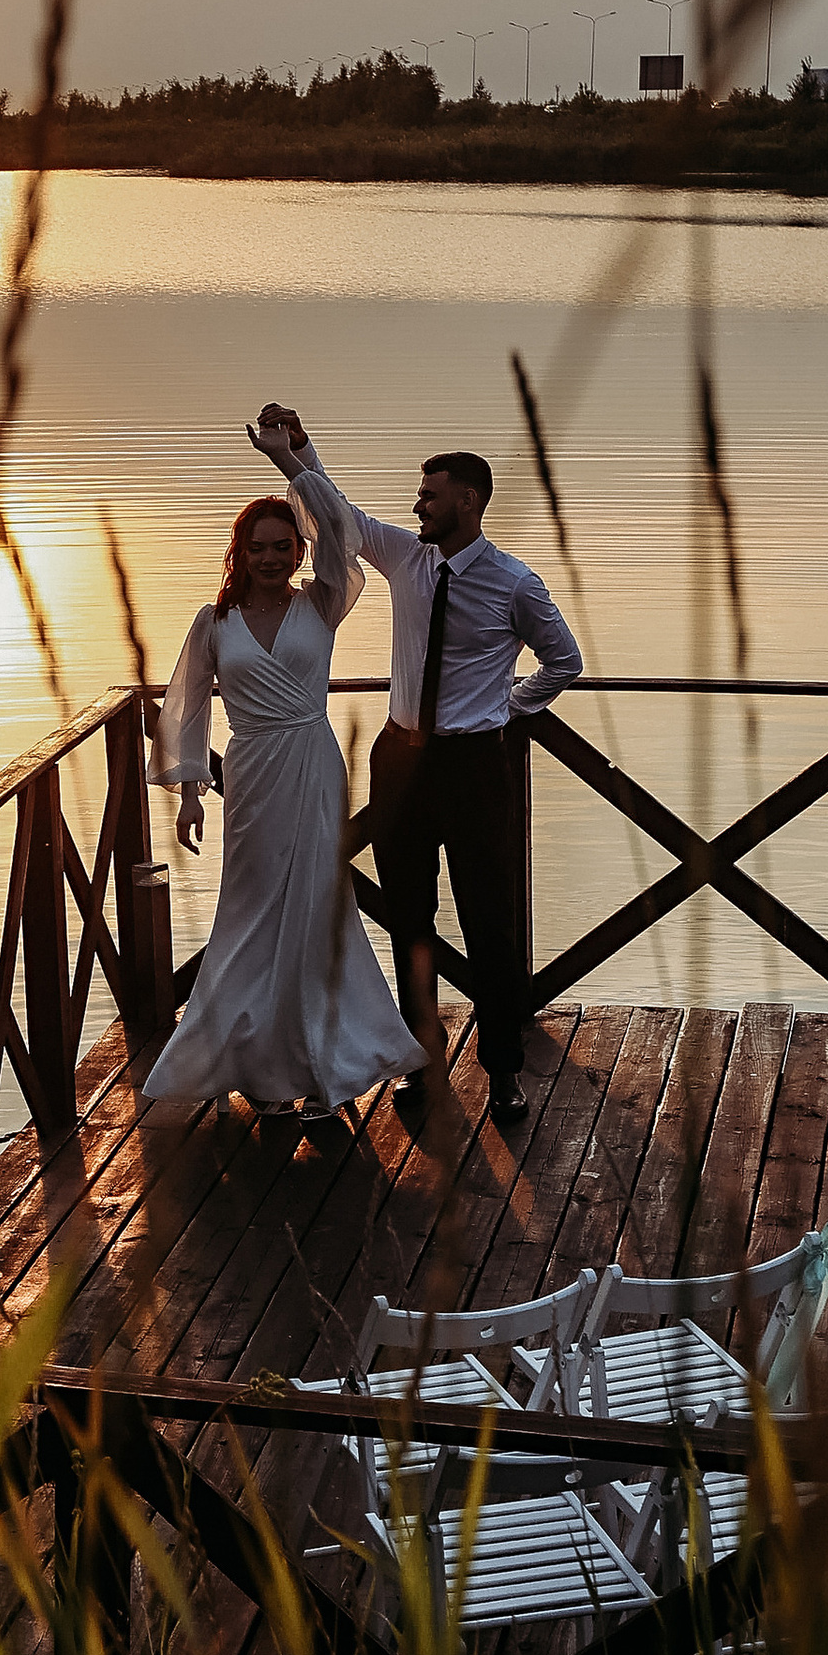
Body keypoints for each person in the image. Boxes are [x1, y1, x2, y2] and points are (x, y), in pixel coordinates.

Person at [252, 407, 580, 1126]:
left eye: (430, 495)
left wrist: (507, 707)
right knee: (410, 919)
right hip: (401, 759)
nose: (417, 504)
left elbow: (565, 661)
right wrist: (295, 451)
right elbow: (338, 515)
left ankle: (502, 1074)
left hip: (472, 767)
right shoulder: (407, 556)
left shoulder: (515, 584)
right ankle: (421, 1065)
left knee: (489, 921)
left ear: (468, 501)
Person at [143, 459, 417, 1121]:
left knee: (318, 907)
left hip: (312, 760)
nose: (270, 557)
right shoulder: (215, 621)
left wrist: (290, 461)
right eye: (257, 547)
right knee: (251, 911)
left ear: (301, 550)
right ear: (238, 552)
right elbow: (185, 710)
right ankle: (260, 1071)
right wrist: (188, 792)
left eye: (283, 545)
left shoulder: (322, 600)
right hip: (252, 770)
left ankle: (327, 1067)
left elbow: (341, 530)